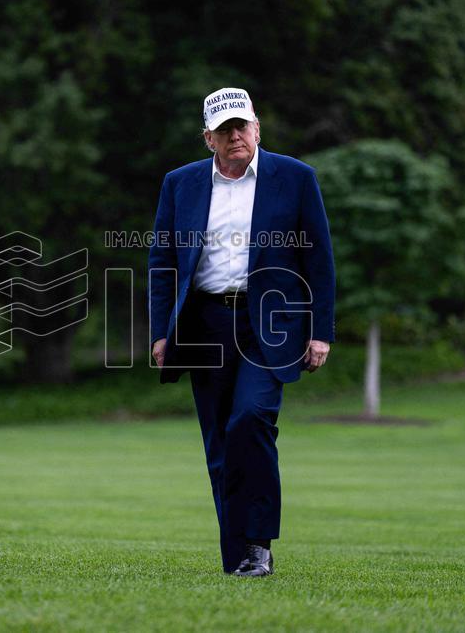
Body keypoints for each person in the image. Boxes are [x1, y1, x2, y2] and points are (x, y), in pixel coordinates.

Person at [147, 87, 335, 577]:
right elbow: (162, 263)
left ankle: (258, 546)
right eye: (225, 129)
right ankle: (239, 559)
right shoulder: (180, 183)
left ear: (257, 127)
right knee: (219, 444)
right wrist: (160, 332)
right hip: (204, 324)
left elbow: (319, 260)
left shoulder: (295, 178)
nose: (236, 136)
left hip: (270, 323)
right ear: (208, 138)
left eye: (243, 126)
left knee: (250, 421)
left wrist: (321, 331)